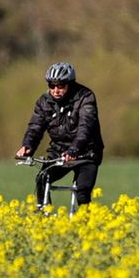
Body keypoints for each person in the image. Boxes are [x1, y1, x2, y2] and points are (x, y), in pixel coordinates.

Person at [15, 62, 104, 207]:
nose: (56, 90)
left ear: (70, 84)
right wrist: (27, 145)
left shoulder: (85, 97)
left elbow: (86, 127)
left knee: (83, 192)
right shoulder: (44, 102)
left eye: (61, 86)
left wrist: (75, 148)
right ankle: (46, 219)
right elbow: (36, 127)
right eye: (52, 85)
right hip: (59, 151)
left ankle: (86, 225)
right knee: (42, 179)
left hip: (87, 152)